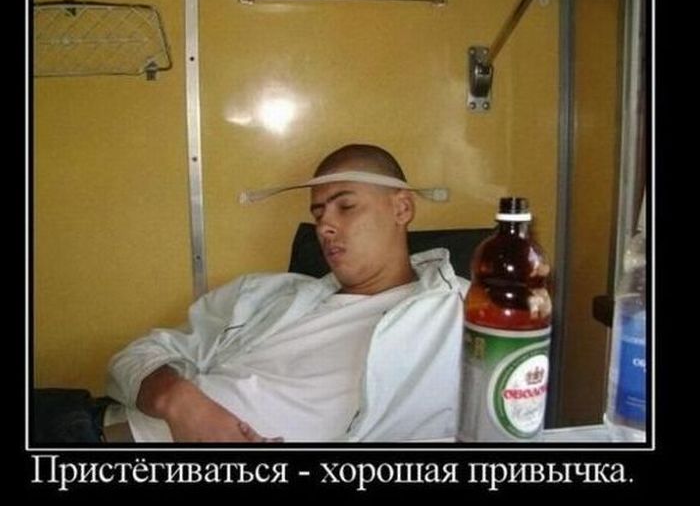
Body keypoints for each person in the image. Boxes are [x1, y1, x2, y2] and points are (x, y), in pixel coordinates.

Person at [40, 144, 467, 443]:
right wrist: (180, 403)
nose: (324, 226)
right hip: (89, 428)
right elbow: (130, 360)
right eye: (318, 213)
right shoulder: (265, 295)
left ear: (402, 208)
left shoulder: (459, 314)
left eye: (346, 205)